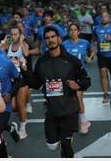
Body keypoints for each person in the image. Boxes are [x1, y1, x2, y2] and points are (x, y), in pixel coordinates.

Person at [21, 26, 91, 157]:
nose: (50, 40)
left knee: (66, 144)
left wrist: (78, 85)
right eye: (47, 38)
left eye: (53, 37)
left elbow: (86, 80)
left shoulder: (71, 60)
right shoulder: (42, 62)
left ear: (59, 39)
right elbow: (36, 83)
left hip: (69, 109)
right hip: (52, 111)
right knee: (52, 146)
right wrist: (24, 71)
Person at [63, 22, 95, 134]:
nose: (73, 32)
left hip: (81, 75)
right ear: (68, 32)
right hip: (68, 75)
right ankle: (78, 119)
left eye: (75, 30)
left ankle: (83, 122)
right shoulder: (64, 44)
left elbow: (93, 49)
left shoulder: (84, 42)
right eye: (70, 30)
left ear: (78, 32)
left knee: (78, 97)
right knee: (69, 98)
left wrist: (90, 57)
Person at [3, 26, 30, 139]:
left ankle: (23, 129)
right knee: (13, 106)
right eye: (12, 34)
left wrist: (22, 41)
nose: (14, 37)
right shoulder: (8, 45)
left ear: (20, 35)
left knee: (20, 104)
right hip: (10, 78)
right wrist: (4, 40)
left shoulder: (23, 44)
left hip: (21, 77)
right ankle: (14, 125)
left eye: (16, 34)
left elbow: (26, 53)